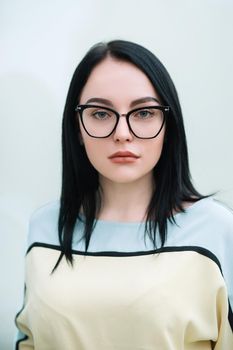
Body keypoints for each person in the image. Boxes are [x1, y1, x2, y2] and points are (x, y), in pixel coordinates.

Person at [15, 40, 233, 349]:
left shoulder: (216, 229)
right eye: (101, 114)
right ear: (77, 126)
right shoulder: (45, 227)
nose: (122, 133)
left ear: (167, 125)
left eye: (143, 112)